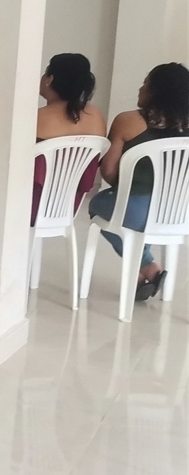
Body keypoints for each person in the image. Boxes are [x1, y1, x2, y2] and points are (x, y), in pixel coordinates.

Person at [88, 62, 189, 302]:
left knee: (97, 205)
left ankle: (147, 266)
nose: (140, 88)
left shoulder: (128, 121)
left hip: (136, 210)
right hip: (181, 213)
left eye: (145, 83)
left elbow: (108, 171)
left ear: (156, 91)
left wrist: (124, 187)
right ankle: (143, 273)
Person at [33, 54, 107, 224]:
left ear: (49, 79)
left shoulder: (37, 117)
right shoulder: (96, 116)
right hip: (67, 206)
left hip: (29, 204)